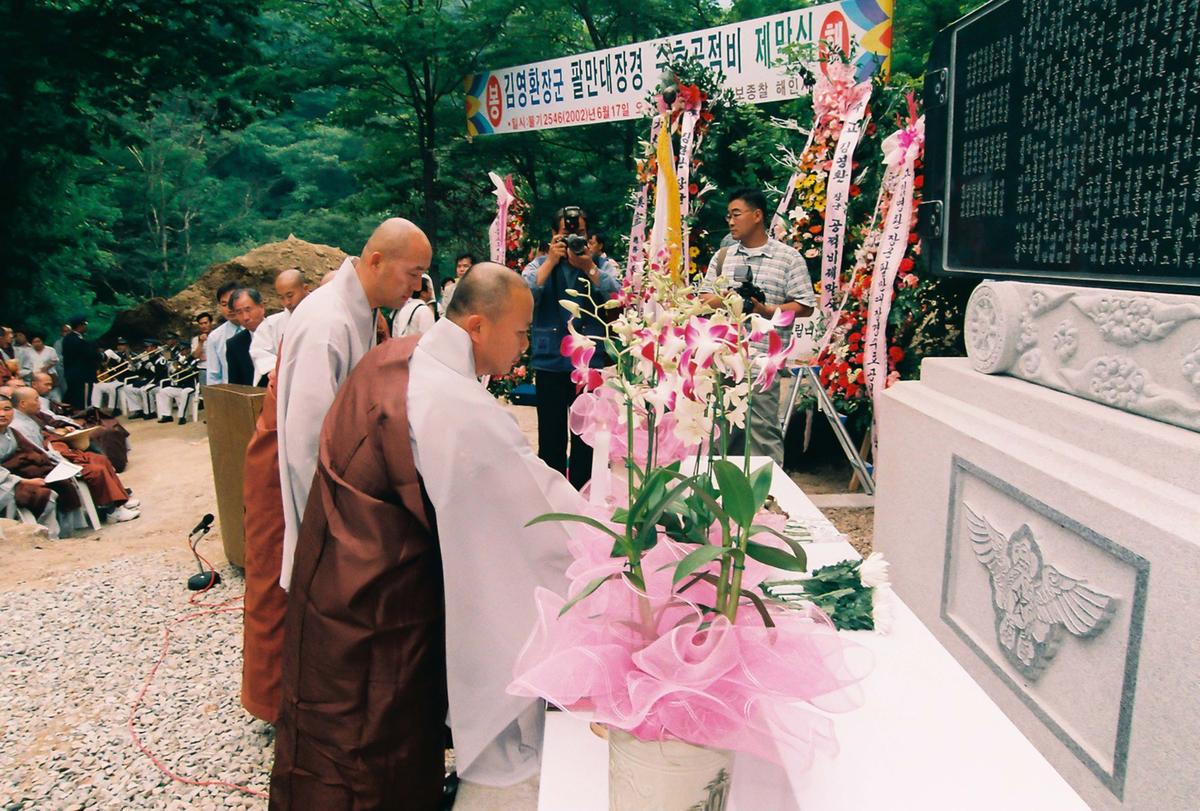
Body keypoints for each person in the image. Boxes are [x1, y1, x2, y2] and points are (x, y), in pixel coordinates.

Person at [270, 264, 580, 808]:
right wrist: (608, 541)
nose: (526, 347)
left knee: (337, 725)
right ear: (478, 327)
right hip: (381, 594)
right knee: (369, 733)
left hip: (340, 568)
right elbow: (532, 508)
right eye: (521, 332)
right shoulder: (452, 401)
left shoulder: (400, 356)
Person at [276, 217, 431, 591]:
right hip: (328, 503)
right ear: (376, 261)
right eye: (413, 274)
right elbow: (307, 445)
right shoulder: (327, 322)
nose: (417, 287)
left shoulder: (361, 309)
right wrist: (333, 531)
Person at [700, 188, 816, 466]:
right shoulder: (723, 257)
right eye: (728, 216)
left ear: (757, 215)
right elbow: (704, 299)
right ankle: (722, 489)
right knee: (722, 435)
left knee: (762, 435)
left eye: (736, 214)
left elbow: (805, 305)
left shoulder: (788, 258)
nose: (731, 221)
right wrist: (728, 299)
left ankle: (768, 491)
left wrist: (767, 311)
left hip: (762, 365)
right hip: (725, 361)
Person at [522, 205, 619, 490]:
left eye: (581, 234)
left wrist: (588, 267)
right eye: (566, 234)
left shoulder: (600, 264)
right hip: (550, 359)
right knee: (550, 436)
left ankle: (584, 495)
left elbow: (618, 293)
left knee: (586, 438)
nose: (574, 240)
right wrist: (551, 261)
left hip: (589, 362)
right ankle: (552, 494)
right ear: (553, 235)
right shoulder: (539, 264)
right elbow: (524, 296)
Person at [9, 386, 139, 523]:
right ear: (23, 403)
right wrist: (64, 459)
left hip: (53, 454)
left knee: (99, 459)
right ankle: (110, 511)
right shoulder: (19, 426)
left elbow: (46, 433)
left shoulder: (29, 417)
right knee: (94, 470)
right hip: (45, 464)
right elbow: (38, 452)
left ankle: (120, 501)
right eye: (36, 400)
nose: (39, 403)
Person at [0, 396, 60, 537]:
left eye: (7, 409)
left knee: (52, 493)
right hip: (5, 482)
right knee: (40, 495)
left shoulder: (11, 433)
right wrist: (24, 481)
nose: (2, 414)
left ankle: (51, 536)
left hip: (9, 478)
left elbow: (32, 450)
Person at [249, 269, 309, 386]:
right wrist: (278, 369)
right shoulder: (271, 324)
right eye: (281, 297)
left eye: (290, 296)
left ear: (305, 288)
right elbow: (259, 351)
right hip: (283, 381)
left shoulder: (322, 315)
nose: (287, 302)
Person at [205, 282, 244, 385]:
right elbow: (213, 376)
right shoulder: (215, 337)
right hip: (229, 391)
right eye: (224, 304)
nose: (229, 308)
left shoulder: (259, 329)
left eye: (232, 302)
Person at [226, 288, 266, 386]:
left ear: (262, 307)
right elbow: (235, 386)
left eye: (248, 310)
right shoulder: (234, 344)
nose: (245, 317)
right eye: (239, 312)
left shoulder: (281, 332)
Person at [155, 334, 200, 424]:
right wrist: (175, 367)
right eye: (181, 350)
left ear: (189, 350)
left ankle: (182, 417)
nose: (181, 352)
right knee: (163, 391)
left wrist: (182, 367)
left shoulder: (194, 360)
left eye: (183, 350)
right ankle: (167, 415)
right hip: (180, 385)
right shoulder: (180, 359)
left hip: (191, 386)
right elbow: (172, 370)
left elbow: (193, 371)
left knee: (185, 392)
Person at [61, 316, 99, 411]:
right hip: (81, 375)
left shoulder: (69, 338)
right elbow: (88, 354)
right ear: (80, 326)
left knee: (73, 395)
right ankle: (82, 413)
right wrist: (103, 356)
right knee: (82, 398)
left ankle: (71, 411)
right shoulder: (76, 340)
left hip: (73, 373)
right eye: (85, 325)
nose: (86, 327)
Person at [191, 312, 213, 380]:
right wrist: (201, 342)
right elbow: (195, 356)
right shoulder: (195, 339)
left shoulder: (218, 336)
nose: (203, 326)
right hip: (203, 369)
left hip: (217, 369)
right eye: (201, 324)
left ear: (210, 323)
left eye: (206, 323)